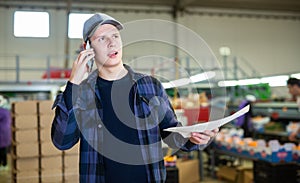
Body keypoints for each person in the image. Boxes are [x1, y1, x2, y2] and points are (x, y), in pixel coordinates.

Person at [51, 12, 218, 183]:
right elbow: (62, 141)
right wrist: (73, 84)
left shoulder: (150, 86)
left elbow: (170, 133)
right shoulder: (82, 93)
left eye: (115, 36)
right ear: (87, 47)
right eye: (102, 38)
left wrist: (191, 138)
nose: (112, 42)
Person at [0, 95, 11, 171]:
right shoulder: (6, 110)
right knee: (3, 149)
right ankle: (4, 164)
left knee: (2, 150)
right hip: (5, 133)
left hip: (2, 133)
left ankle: (4, 164)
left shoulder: (2, 111)